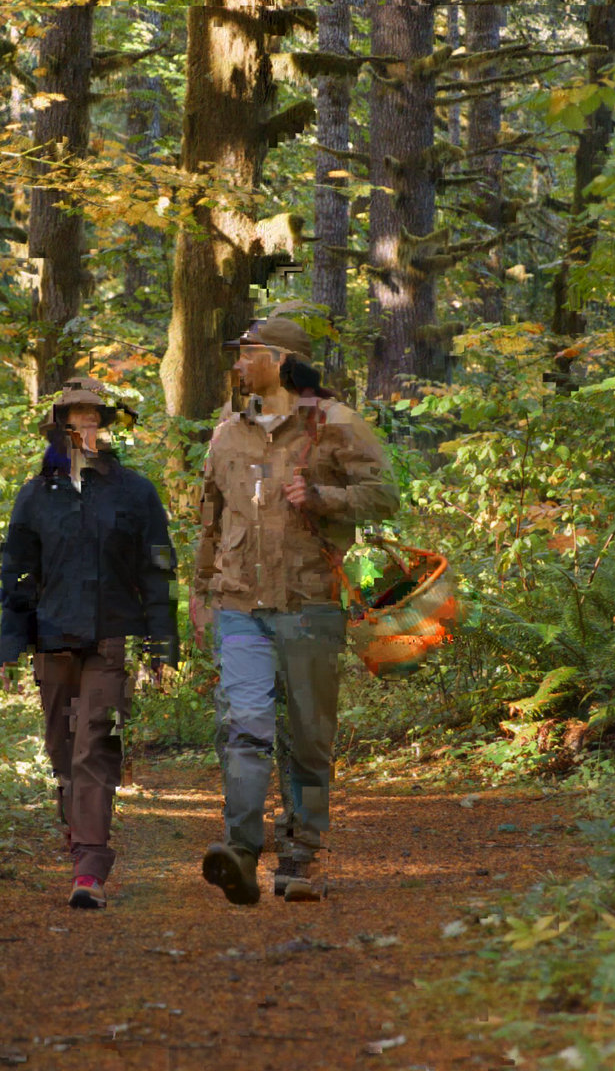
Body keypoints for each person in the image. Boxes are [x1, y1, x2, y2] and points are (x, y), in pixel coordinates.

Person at [192, 317, 399, 905]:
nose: (237, 364)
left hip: (311, 605)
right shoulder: (226, 433)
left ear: (281, 360)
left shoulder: (337, 425)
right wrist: (200, 591)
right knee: (243, 727)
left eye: (247, 353)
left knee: (308, 736)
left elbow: (386, 494)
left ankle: (300, 856)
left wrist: (325, 495)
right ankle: (240, 850)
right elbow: (210, 517)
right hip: (238, 606)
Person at [0, 377, 178, 910]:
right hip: (52, 641)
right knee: (61, 753)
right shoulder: (34, 496)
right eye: (73, 419)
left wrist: (163, 644)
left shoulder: (136, 491)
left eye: (93, 417)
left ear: (106, 425)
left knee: (94, 747)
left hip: (112, 640)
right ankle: (78, 838)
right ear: (57, 427)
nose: (84, 427)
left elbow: (158, 571)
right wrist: (10, 643)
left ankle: (90, 868)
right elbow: (16, 574)